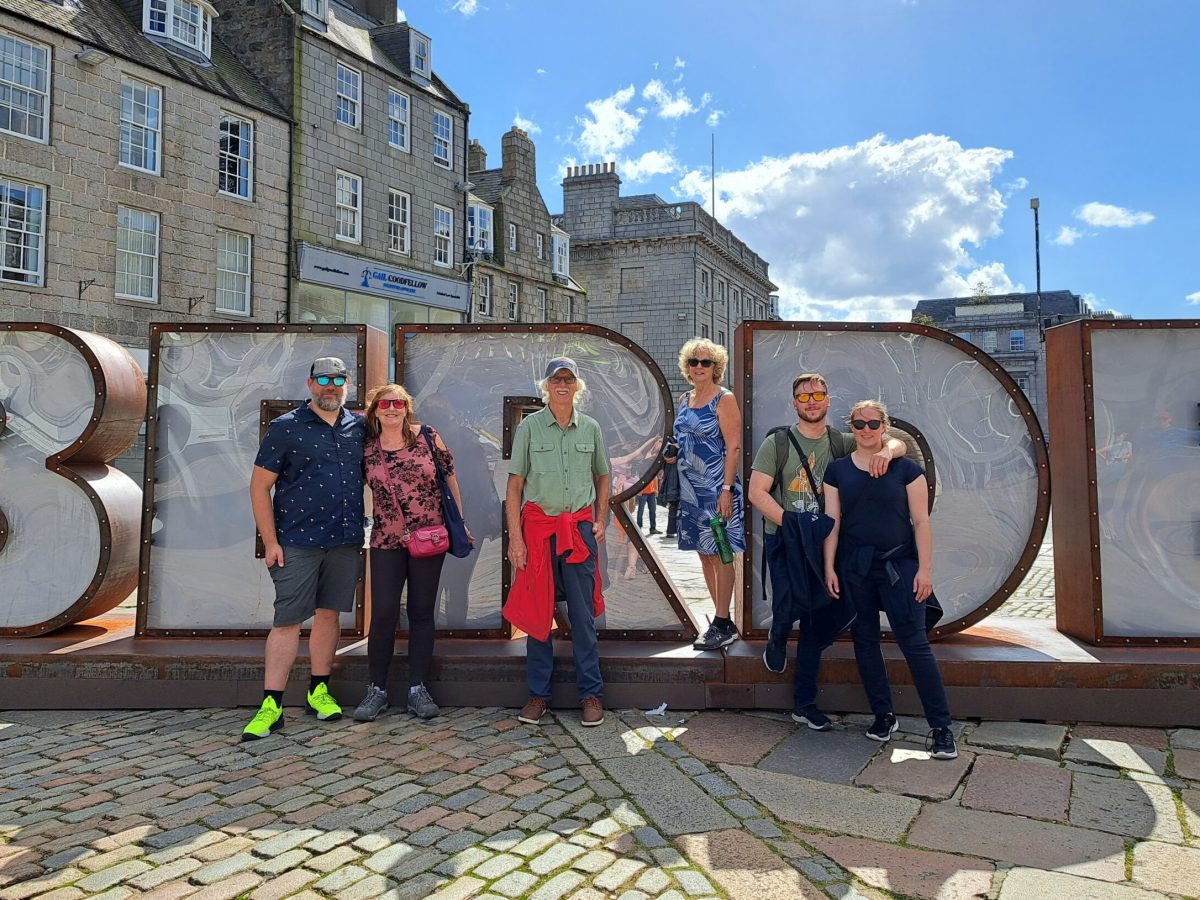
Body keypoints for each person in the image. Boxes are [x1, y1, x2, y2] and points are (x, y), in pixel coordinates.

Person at [747, 374, 906, 730]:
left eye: (818, 395)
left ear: (828, 400)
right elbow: (757, 492)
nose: (812, 401)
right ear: (794, 403)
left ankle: (803, 703)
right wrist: (793, 524)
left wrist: (886, 451)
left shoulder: (841, 441)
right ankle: (777, 634)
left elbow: (897, 442)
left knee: (814, 618)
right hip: (786, 539)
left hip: (826, 542)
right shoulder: (778, 443)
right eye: (804, 397)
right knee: (786, 604)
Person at [823, 399, 957, 759]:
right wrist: (829, 567)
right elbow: (833, 522)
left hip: (900, 566)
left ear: (884, 426)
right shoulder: (837, 471)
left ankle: (941, 728)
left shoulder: (907, 470)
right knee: (865, 641)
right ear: (851, 427)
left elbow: (921, 521)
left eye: (873, 424)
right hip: (856, 566)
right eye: (859, 424)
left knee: (915, 644)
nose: (866, 430)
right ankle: (883, 715)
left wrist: (925, 570)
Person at [243, 357, 365, 741]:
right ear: (310, 384)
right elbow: (259, 487)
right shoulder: (286, 427)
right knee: (287, 621)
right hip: (296, 541)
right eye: (324, 379)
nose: (331, 386)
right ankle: (271, 706)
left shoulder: (359, 427)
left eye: (338, 380)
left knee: (329, 616)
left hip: (344, 540)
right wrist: (270, 542)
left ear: (347, 384)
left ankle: (318, 692)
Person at [504, 356, 611, 727]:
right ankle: (538, 695)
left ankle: (591, 694)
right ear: (546, 386)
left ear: (576, 386)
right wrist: (516, 539)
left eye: (568, 379)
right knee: (538, 616)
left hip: (577, 531)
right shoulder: (530, 427)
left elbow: (603, 476)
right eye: (556, 379)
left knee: (583, 617)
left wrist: (600, 519)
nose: (562, 385)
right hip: (538, 533)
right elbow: (515, 485)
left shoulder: (591, 428)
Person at [352, 384, 467, 723]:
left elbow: (450, 480)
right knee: (384, 613)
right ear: (375, 410)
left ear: (407, 408)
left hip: (429, 538)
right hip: (386, 540)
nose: (392, 409)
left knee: (421, 611)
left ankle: (418, 688)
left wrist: (459, 522)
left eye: (398, 403)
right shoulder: (366, 447)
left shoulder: (428, 436)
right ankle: (377, 689)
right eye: (384, 404)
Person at [674, 338, 745, 651]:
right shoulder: (684, 398)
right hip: (691, 490)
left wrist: (727, 489)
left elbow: (734, 447)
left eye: (706, 362)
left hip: (717, 488)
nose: (699, 367)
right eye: (694, 361)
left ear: (716, 367)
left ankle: (722, 620)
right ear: (687, 367)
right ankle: (721, 621)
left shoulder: (723, 398)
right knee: (704, 553)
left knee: (721, 551)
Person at [659, 435, 681, 537]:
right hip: (675, 479)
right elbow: (668, 454)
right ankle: (672, 530)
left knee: (674, 506)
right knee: (674, 505)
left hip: (674, 479)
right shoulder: (671, 441)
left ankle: (672, 530)